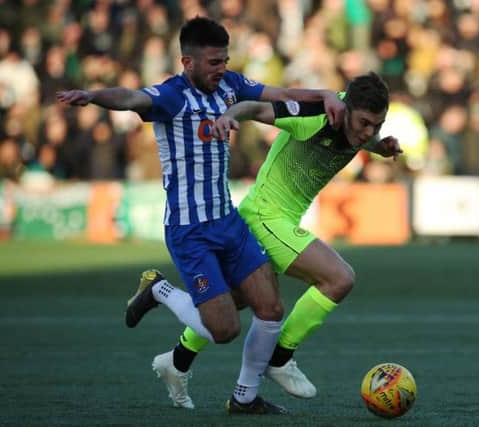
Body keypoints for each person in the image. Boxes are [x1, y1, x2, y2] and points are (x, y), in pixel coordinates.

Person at [56, 16, 344, 415]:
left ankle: (244, 398)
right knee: (223, 329)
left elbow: (283, 91)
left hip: (228, 222)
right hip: (190, 231)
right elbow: (131, 97)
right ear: (187, 62)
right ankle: (158, 288)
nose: (221, 68)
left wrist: (327, 93)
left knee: (271, 309)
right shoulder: (172, 97)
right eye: (213, 62)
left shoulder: (231, 86)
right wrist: (93, 95)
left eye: (224, 60)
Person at [149, 72, 402, 407]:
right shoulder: (315, 116)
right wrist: (228, 116)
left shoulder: (358, 123)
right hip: (266, 217)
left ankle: (180, 361)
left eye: (377, 125)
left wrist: (378, 146)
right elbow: (255, 107)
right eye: (365, 124)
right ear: (346, 109)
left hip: (279, 219)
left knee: (232, 304)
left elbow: (362, 134)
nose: (368, 131)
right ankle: (279, 357)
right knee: (339, 279)